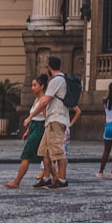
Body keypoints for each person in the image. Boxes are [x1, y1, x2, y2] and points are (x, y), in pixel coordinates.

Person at [4, 74, 48, 188]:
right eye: (32, 85)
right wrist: (28, 131)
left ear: (41, 86)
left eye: (35, 85)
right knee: (44, 156)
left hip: (39, 129)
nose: (32, 87)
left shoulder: (43, 101)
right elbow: (34, 117)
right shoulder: (36, 100)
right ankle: (54, 178)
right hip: (34, 127)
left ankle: (17, 181)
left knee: (26, 155)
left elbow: (45, 117)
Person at [34, 55, 70, 189]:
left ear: (49, 67)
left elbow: (45, 100)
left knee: (58, 152)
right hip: (52, 119)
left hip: (56, 119)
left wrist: (31, 115)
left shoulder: (56, 81)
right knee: (45, 151)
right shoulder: (61, 79)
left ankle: (62, 180)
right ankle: (46, 178)